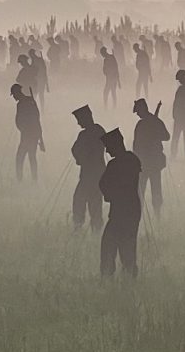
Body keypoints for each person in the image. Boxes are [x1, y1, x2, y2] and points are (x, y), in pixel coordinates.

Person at [99, 128, 143, 277]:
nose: (107, 151)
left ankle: (109, 277)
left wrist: (109, 195)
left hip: (120, 212)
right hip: (132, 210)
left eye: (109, 147)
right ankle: (128, 277)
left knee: (109, 245)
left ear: (116, 145)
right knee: (127, 245)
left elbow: (103, 184)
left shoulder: (114, 164)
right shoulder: (133, 159)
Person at [71, 105, 106, 232]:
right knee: (94, 203)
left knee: (81, 200)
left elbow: (75, 149)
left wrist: (80, 159)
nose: (78, 122)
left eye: (79, 119)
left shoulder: (86, 134)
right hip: (97, 175)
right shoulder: (99, 130)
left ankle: (79, 227)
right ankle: (94, 229)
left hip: (89, 176)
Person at [133, 99, 170, 214]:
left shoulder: (145, 123)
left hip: (149, 162)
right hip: (148, 163)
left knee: (152, 190)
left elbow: (166, 136)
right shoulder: (153, 122)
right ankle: (146, 214)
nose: (137, 114)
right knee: (146, 190)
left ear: (143, 109)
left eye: (138, 111)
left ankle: (156, 214)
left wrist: (155, 136)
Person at [11, 84, 44, 182]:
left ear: (17, 93)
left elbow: (20, 121)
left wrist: (22, 128)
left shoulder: (21, 104)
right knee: (32, 158)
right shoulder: (31, 101)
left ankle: (19, 180)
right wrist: (40, 139)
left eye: (13, 94)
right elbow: (37, 121)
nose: (14, 97)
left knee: (19, 158)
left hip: (26, 136)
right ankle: (34, 180)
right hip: (34, 135)